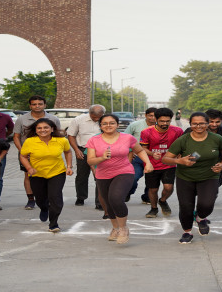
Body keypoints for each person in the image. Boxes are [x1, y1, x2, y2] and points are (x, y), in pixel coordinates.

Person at [162, 112, 222, 243]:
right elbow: (166, 158)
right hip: (185, 177)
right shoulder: (183, 140)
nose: (198, 126)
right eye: (195, 123)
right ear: (190, 124)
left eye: (202, 123)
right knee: (186, 207)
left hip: (209, 176)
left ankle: (200, 218)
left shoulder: (217, 139)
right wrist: (180, 161)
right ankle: (187, 232)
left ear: (207, 124)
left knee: (207, 204)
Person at [86, 114, 153, 244]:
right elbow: (90, 160)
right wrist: (102, 158)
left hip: (124, 171)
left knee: (116, 198)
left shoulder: (127, 138)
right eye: (104, 123)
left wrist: (148, 163)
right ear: (100, 126)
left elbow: (139, 151)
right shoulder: (94, 140)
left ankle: (123, 228)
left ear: (117, 124)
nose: (108, 126)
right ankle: (115, 228)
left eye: (112, 123)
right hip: (103, 174)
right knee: (108, 203)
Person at [19, 118, 73, 233]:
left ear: (52, 129)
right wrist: (29, 168)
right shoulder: (30, 141)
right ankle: (44, 208)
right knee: (40, 199)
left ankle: (53, 223)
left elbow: (68, 152)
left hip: (57, 173)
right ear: (36, 130)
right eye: (39, 128)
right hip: (37, 174)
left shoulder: (61, 140)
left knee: (56, 199)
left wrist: (69, 166)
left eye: (46, 127)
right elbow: (23, 156)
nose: (42, 130)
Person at [13, 96, 61, 210]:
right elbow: (16, 136)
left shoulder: (53, 119)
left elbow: (58, 135)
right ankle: (30, 200)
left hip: (49, 153)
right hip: (28, 153)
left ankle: (47, 198)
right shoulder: (21, 119)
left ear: (45, 105)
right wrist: (22, 151)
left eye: (40, 104)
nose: (37, 106)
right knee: (29, 175)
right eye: (34, 104)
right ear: (30, 106)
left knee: (49, 176)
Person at [140, 108, 184, 218]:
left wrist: (179, 155)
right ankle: (153, 209)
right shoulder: (146, 132)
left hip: (169, 163)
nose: (165, 123)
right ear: (156, 119)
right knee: (153, 189)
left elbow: (182, 147)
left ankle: (163, 200)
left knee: (169, 187)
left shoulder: (177, 131)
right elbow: (142, 149)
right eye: (162, 121)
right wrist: (152, 154)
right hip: (152, 165)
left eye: (167, 121)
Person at [67, 104, 105, 207]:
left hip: (100, 152)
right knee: (81, 176)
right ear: (89, 113)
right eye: (94, 117)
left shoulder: (106, 120)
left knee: (100, 176)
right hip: (82, 150)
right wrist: (76, 150)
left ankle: (100, 202)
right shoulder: (78, 120)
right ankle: (81, 197)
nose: (97, 119)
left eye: (99, 117)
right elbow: (71, 135)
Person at [124, 107, 157, 203]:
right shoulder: (135, 125)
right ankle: (128, 192)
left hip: (153, 157)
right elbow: (125, 139)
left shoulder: (161, 126)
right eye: (150, 115)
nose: (153, 118)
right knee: (133, 177)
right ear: (146, 115)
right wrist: (128, 152)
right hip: (137, 157)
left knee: (151, 180)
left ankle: (147, 197)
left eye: (155, 116)